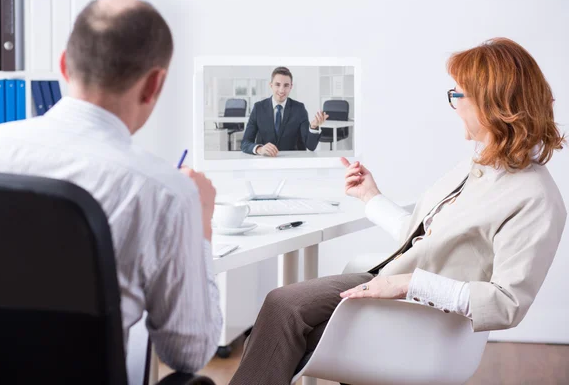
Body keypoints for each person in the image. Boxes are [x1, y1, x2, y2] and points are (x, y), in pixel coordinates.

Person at [230, 38, 567, 384]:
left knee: (284, 327)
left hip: (422, 317)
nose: (454, 105)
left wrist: (407, 284)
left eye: (458, 95)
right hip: (391, 282)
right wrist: (371, 196)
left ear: (491, 103)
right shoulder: (478, 165)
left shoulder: (535, 198)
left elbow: (506, 302)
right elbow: (423, 239)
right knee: (282, 308)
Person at [0, 0, 222, 373]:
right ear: (154, 84)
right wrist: (201, 222)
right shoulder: (164, 192)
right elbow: (189, 352)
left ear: (63, 65)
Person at [241, 66, 328, 156]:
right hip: (265, 162)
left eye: (286, 85)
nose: (281, 90)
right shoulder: (258, 108)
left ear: (291, 87)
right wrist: (260, 149)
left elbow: (311, 146)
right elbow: (245, 143)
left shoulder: (299, 109)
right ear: (271, 85)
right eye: (277, 84)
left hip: (292, 162)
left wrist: (313, 127)